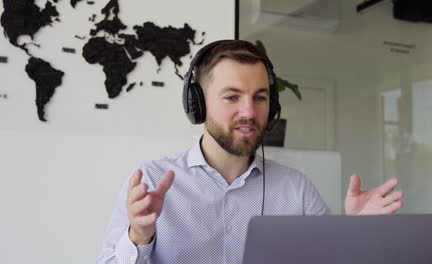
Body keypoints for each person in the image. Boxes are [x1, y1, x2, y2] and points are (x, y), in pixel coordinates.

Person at [97, 40, 404, 264]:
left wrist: (355, 231)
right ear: (198, 104)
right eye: (232, 97)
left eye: (260, 97)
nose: (249, 111)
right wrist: (139, 235)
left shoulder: (295, 190)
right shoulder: (150, 181)